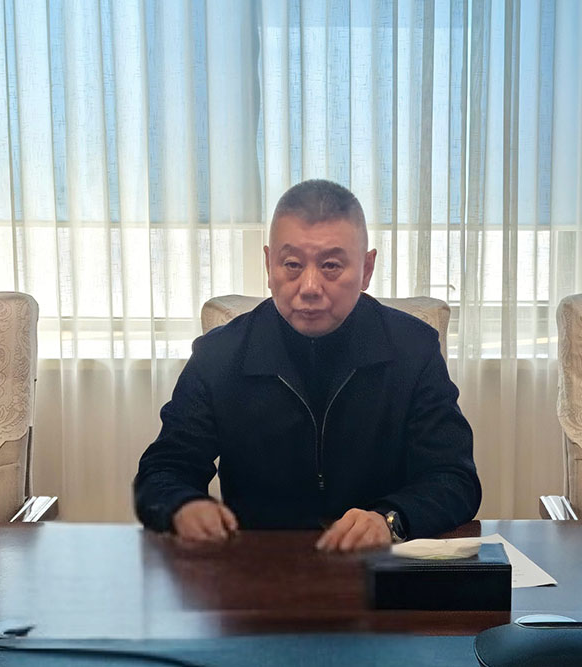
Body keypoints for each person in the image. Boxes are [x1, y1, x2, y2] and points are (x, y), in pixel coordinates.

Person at [134, 179, 480, 551]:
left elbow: (454, 479)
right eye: (292, 265)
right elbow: (163, 470)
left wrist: (390, 520)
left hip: (379, 567)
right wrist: (182, 506)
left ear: (366, 269)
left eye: (331, 266)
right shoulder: (220, 355)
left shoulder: (413, 349)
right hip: (257, 568)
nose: (310, 286)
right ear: (269, 265)